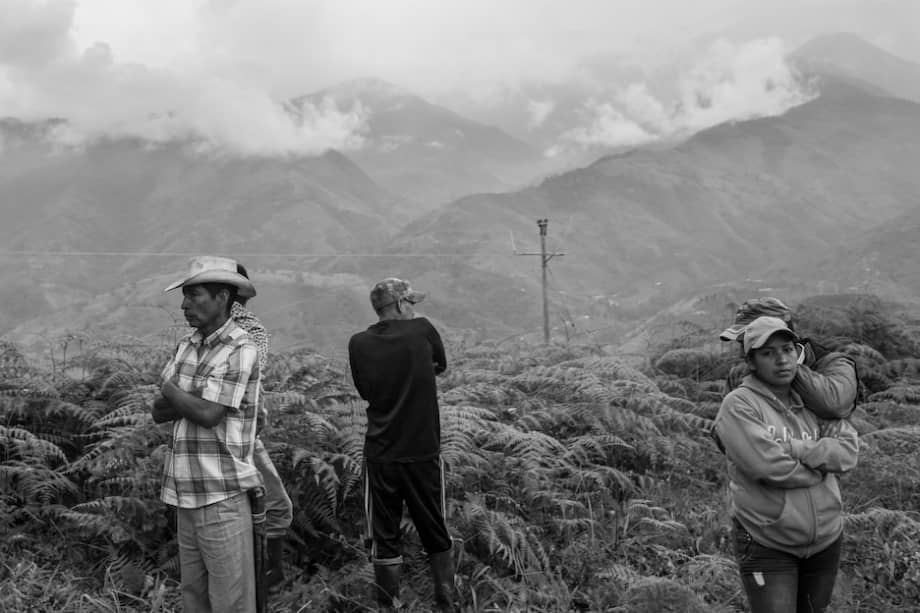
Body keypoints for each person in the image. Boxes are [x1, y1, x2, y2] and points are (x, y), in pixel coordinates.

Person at [714, 316, 859, 613]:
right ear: (751, 362)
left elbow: (847, 454)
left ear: (798, 353)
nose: (781, 360)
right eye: (768, 353)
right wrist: (821, 463)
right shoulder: (740, 404)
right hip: (768, 542)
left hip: (826, 540)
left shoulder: (814, 400)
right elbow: (770, 467)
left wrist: (796, 448)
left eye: (788, 350)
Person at [151, 255, 262, 613]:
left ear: (223, 298)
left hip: (222, 493)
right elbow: (157, 413)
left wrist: (171, 389)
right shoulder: (187, 345)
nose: (184, 305)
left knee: (230, 601)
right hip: (184, 490)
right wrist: (187, 396)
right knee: (193, 596)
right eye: (185, 296)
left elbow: (208, 413)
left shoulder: (240, 347)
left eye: (194, 295)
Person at [347, 278, 455, 612]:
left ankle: (387, 606)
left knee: (384, 535)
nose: (413, 309)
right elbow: (441, 366)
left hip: (380, 453)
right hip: (423, 450)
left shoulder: (358, 343)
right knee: (434, 526)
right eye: (410, 302)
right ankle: (447, 602)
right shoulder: (423, 330)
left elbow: (365, 390)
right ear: (398, 304)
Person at [232, 263, 293, 591]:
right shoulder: (249, 329)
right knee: (276, 505)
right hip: (242, 433)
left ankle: (263, 576)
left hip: (226, 432)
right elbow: (251, 380)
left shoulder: (199, 331)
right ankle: (269, 575)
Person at [720, 297, 858, 419]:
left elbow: (834, 404)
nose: (741, 353)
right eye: (741, 343)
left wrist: (784, 368)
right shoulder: (740, 374)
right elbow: (728, 425)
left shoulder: (834, 364)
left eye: (750, 341)